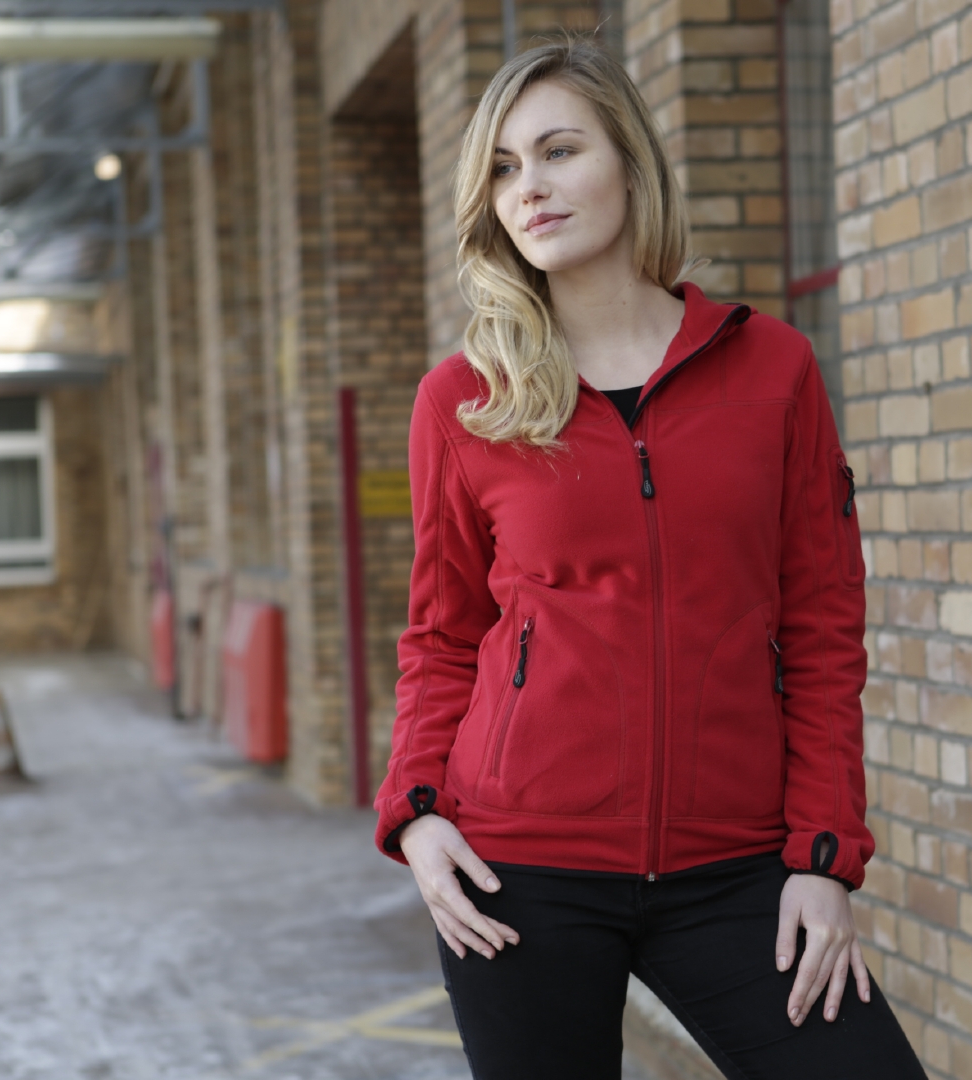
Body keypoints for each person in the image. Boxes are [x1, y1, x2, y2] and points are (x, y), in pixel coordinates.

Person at [373, 36, 926, 1080]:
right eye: (503, 168)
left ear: (629, 162)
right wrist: (415, 816)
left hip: (737, 866)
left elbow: (823, 629)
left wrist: (824, 858)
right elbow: (442, 636)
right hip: (517, 866)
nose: (529, 187)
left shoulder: (773, 370)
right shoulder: (466, 400)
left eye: (558, 151)